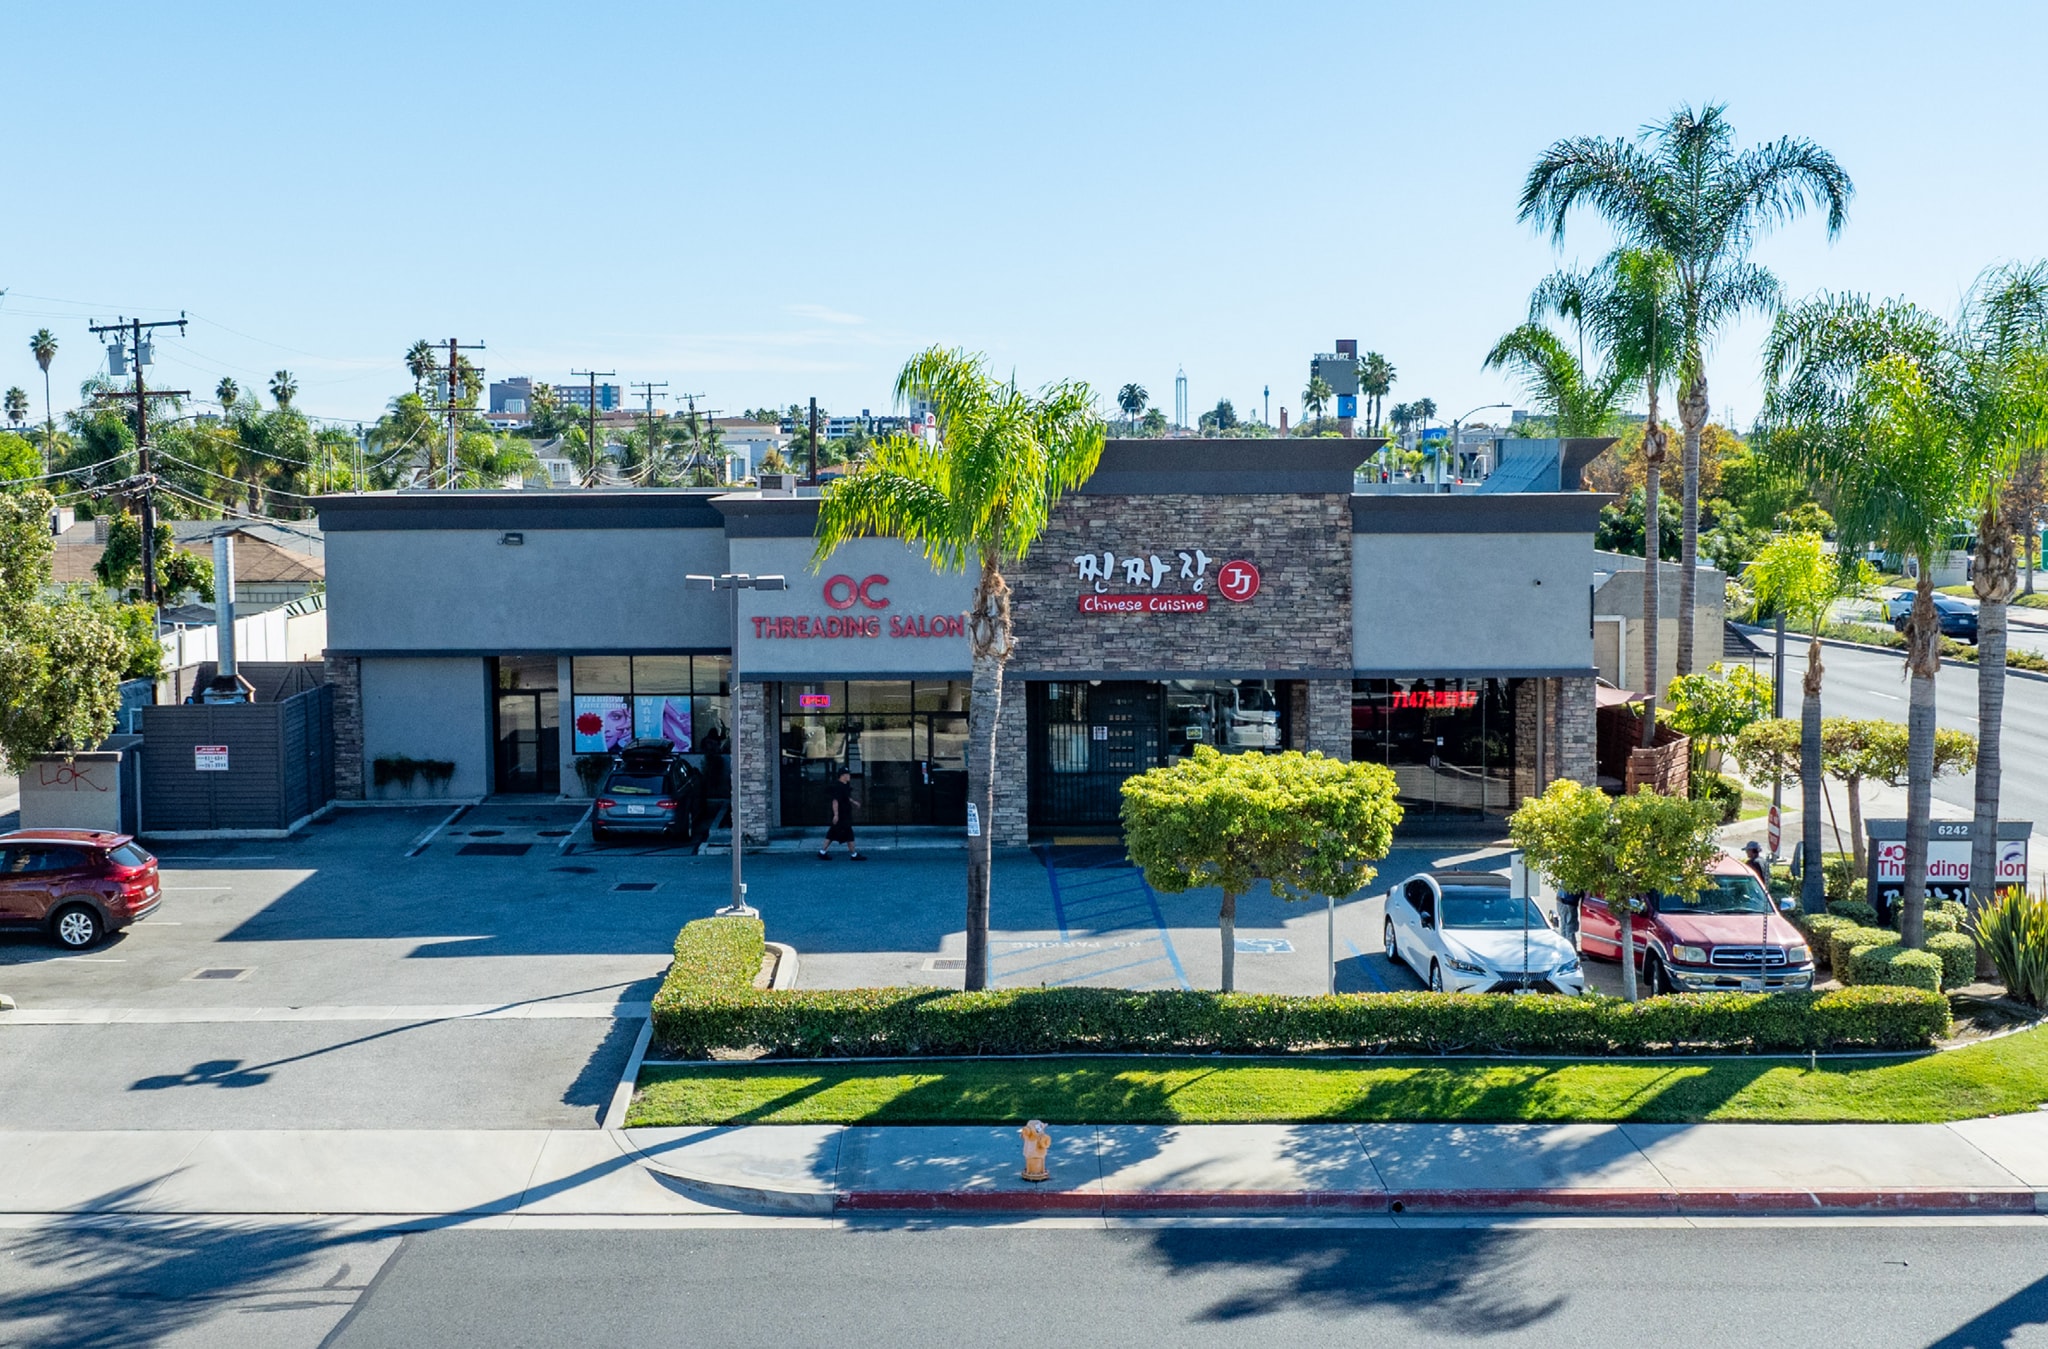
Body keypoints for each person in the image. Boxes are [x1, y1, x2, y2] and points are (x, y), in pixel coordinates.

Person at [818, 769, 864, 860]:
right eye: (848, 774)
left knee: (832, 833)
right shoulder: (838, 787)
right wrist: (836, 815)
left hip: (844, 814)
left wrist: (854, 802)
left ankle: (822, 852)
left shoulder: (845, 785)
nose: (849, 776)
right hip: (842, 815)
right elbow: (835, 801)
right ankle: (853, 854)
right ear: (843, 775)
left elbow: (846, 797)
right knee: (848, 834)